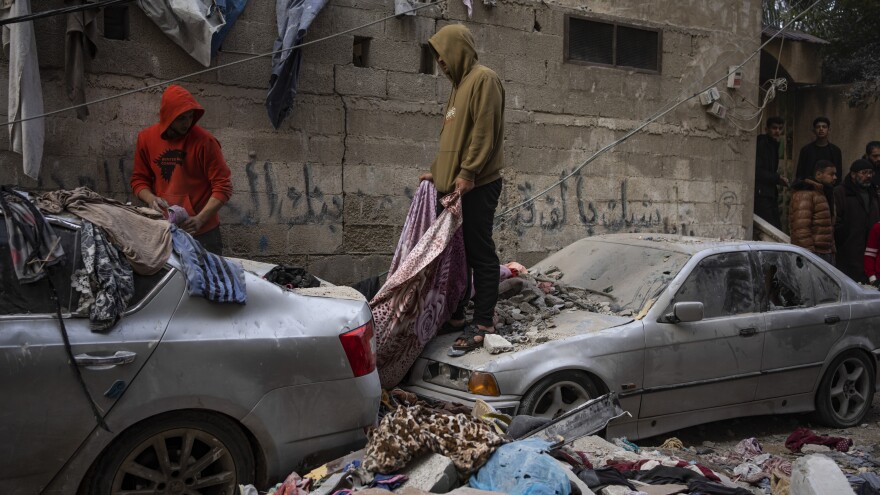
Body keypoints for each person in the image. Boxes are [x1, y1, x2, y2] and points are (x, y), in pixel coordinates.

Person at [418, 24, 504, 354]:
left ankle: (483, 322)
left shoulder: (484, 79)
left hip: (478, 184)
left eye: (443, 53)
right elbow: (451, 143)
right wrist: (437, 173)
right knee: (455, 254)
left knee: (477, 250)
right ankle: (455, 315)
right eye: (436, 56)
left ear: (459, 49)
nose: (440, 61)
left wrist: (467, 172)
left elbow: (483, 132)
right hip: (455, 184)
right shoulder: (457, 88)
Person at [130, 85, 233, 255]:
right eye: (181, 118)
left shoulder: (205, 142)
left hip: (202, 231)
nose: (187, 123)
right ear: (168, 117)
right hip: (165, 228)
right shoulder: (146, 138)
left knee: (209, 280)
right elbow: (139, 180)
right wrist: (151, 199)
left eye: (190, 116)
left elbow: (223, 187)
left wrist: (200, 219)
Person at [833, 159, 880, 283]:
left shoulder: (873, 193)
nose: (868, 176)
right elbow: (835, 220)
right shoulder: (841, 192)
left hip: (870, 250)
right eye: (864, 173)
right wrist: (844, 235)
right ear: (853, 175)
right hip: (848, 250)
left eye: (870, 173)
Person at [789, 160, 836, 263]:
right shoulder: (805, 194)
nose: (835, 177)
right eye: (831, 174)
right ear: (819, 174)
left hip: (825, 253)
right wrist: (809, 256)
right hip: (814, 255)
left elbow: (828, 227)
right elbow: (801, 229)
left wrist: (832, 251)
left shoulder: (823, 193)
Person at [754, 116, 788, 228]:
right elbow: (758, 171)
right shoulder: (762, 143)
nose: (777, 131)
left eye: (779, 128)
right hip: (761, 194)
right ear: (766, 129)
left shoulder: (773, 145)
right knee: (770, 227)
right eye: (774, 128)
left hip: (768, 193)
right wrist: (777, 178)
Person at [795, 117, 842, 181]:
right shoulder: (806, 150)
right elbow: (800, 174)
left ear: (829, 130)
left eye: (824, 127)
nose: (821, 129)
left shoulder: (835, 151)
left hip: (829, 188)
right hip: (809, 187)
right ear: (814, 130)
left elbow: (838, 174)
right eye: (818, 127)